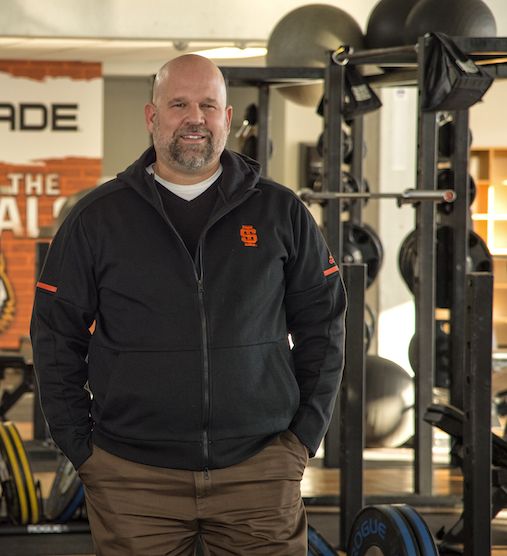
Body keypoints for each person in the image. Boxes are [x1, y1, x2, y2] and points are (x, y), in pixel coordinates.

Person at [31, 54, 346, 555]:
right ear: (152, 117)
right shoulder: (97, 218)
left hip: (259, 470)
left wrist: (303, 436)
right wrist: (81, 447)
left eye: (208, 105)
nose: (194, 117)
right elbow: (54, 334)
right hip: (132, 476)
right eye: (179, 104)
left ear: (226, 117)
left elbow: (323, 326)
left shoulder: (280, 211)